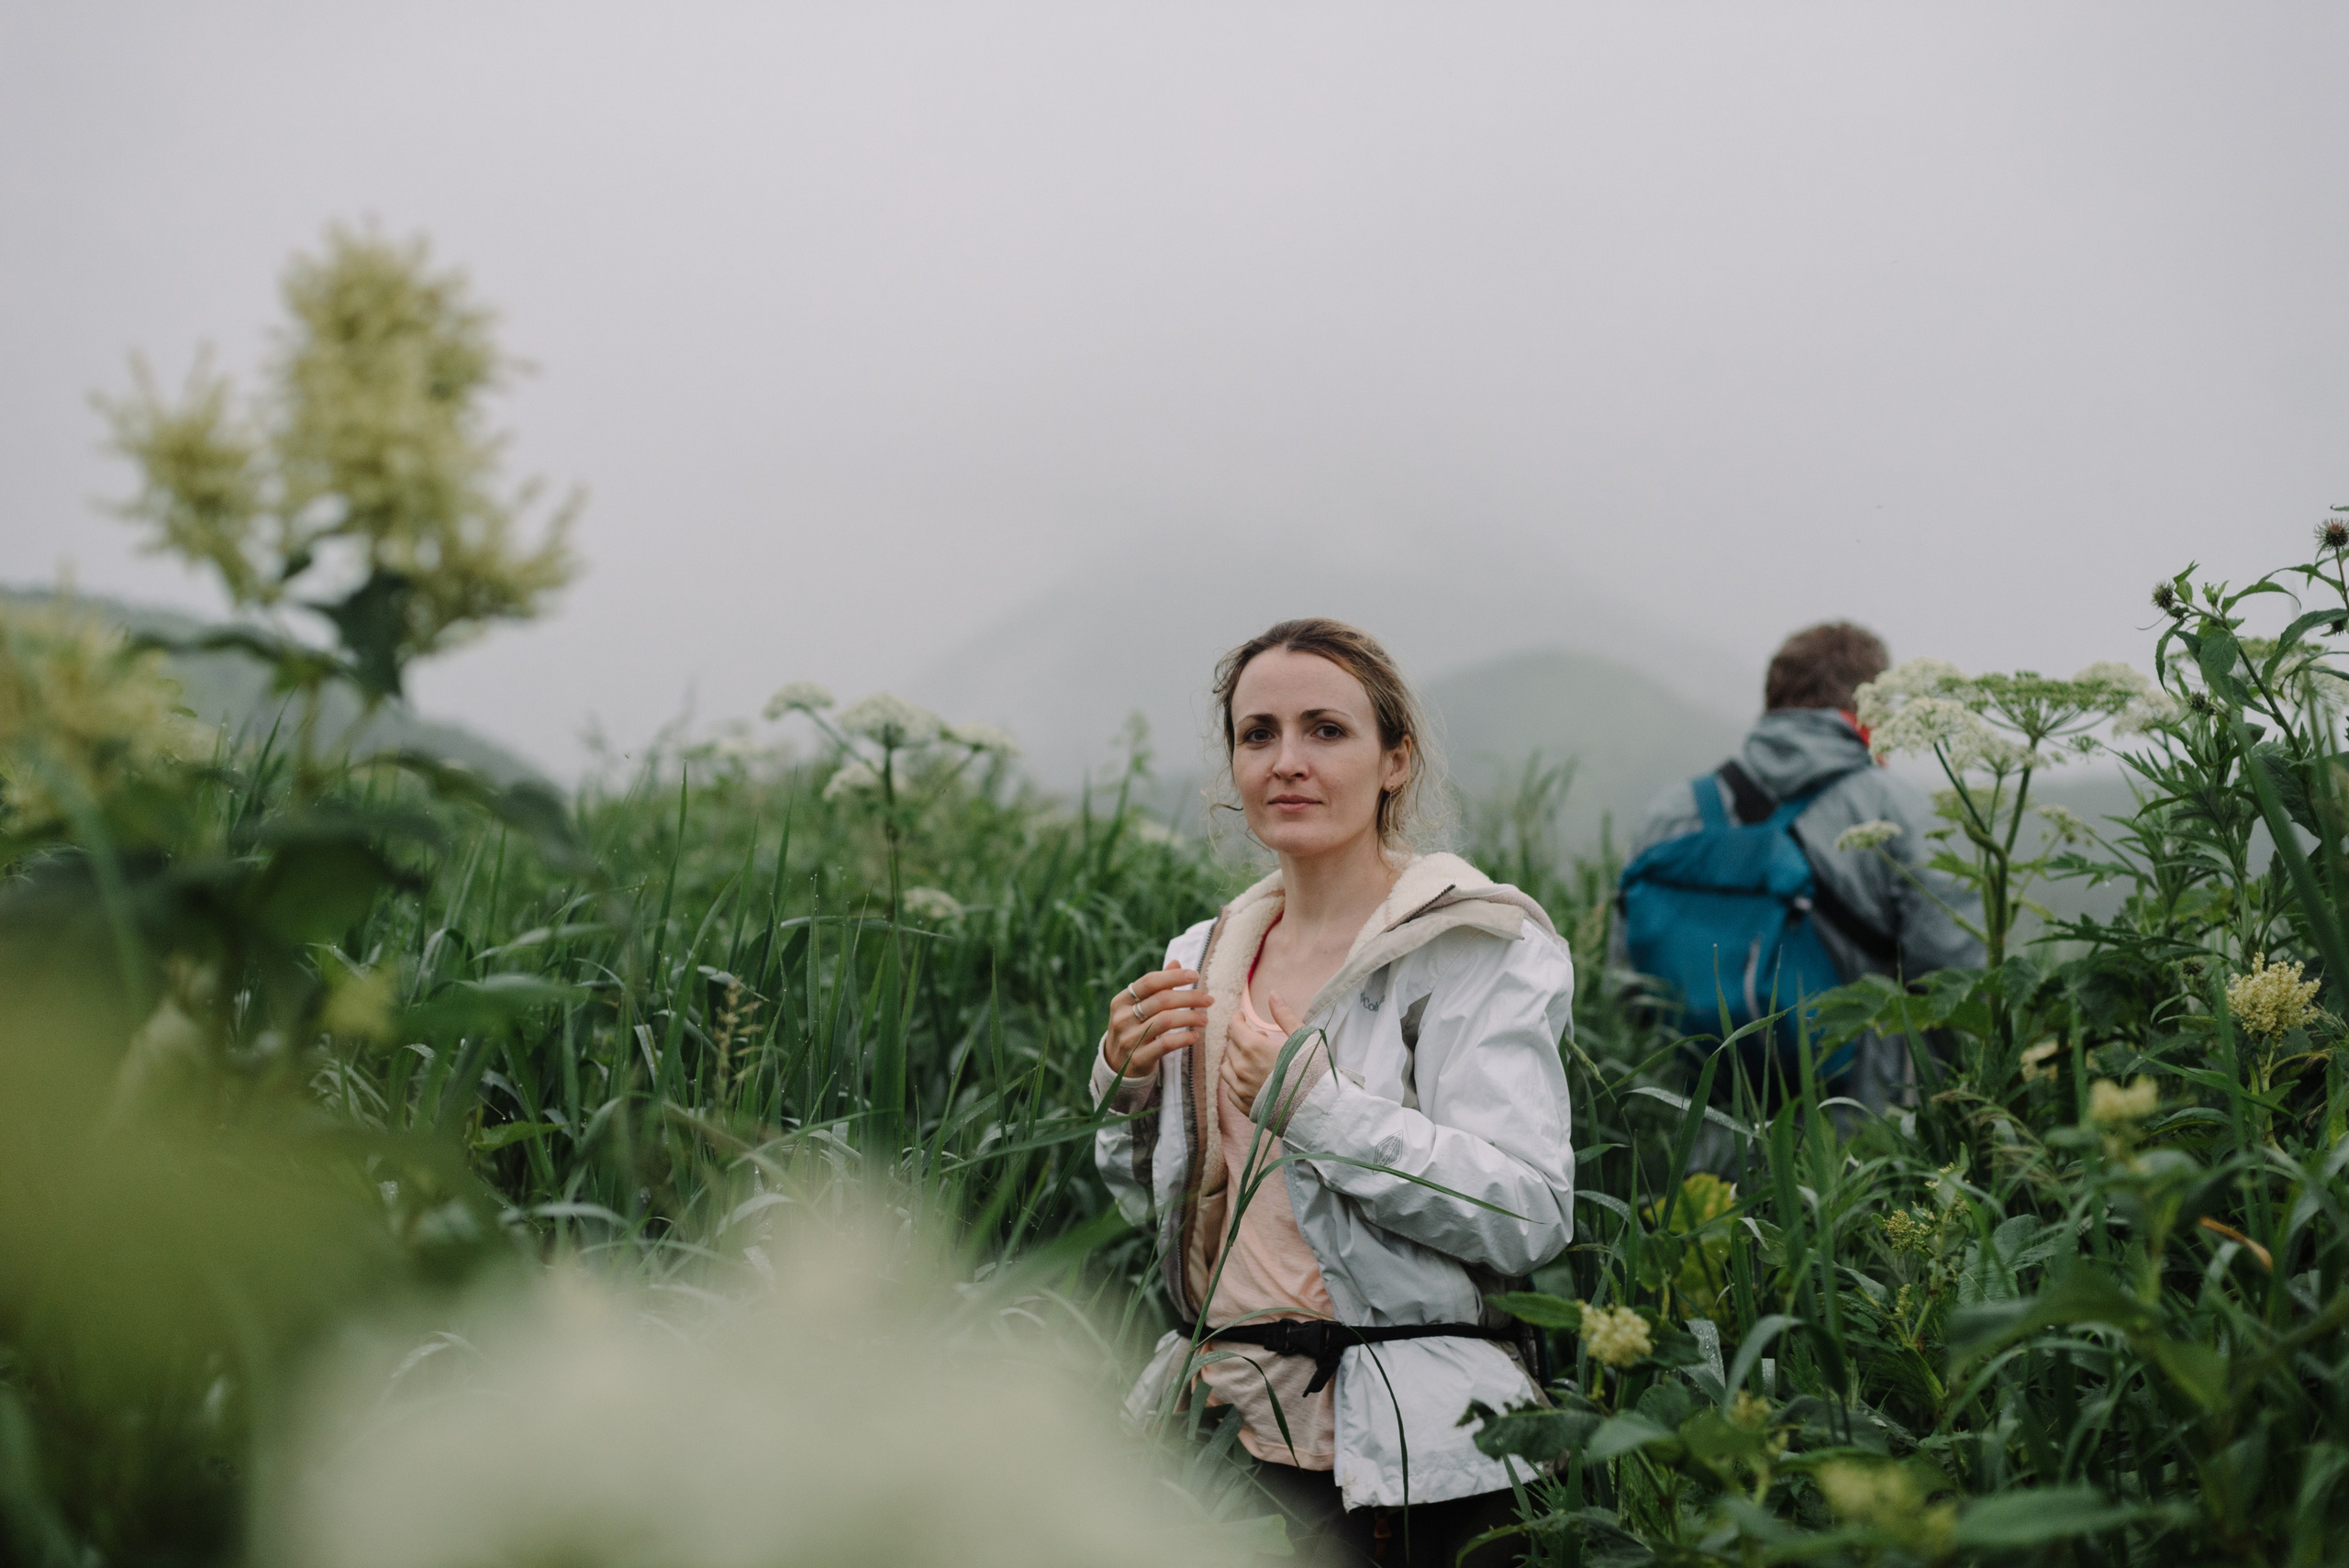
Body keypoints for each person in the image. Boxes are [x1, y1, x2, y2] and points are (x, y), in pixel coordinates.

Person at [1093, 618, 1575, 1568]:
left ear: (1395, 760)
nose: (1287, 761)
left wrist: (1319, 1109)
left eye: (1325, 729)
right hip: (1223, 1423)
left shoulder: (1476, 946)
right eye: (1257, 733)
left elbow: (1527, 1209)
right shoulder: (1202, 956)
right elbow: (1153, 1204)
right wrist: (1126, 1082)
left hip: (1412, 1449)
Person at [1614, 621, 1980, 1111]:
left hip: (1697, 1138)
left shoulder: (1673, 811)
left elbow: (1628, 982)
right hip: (1861, 1145)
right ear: (1870, 710)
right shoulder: (1898, 810)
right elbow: (1956, 988)